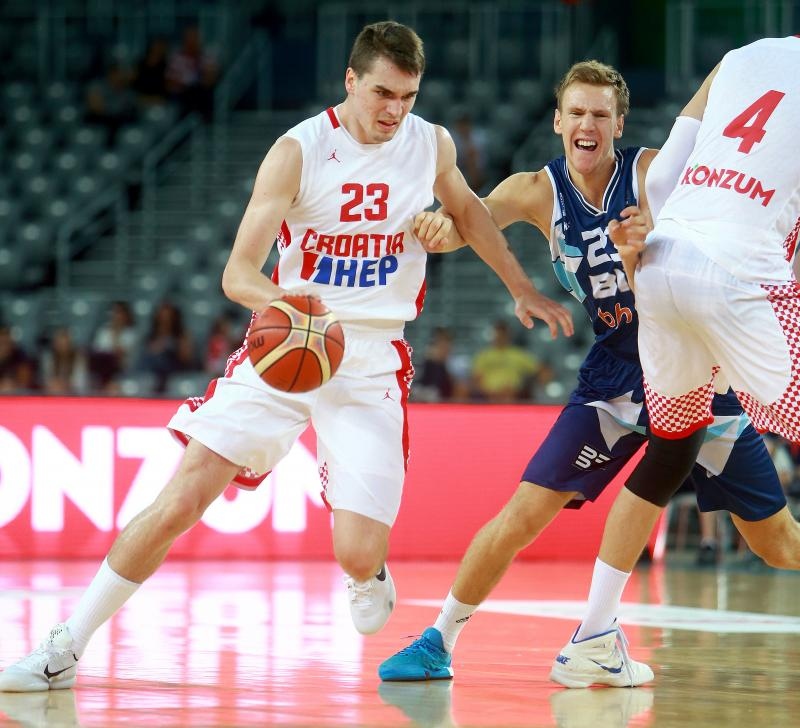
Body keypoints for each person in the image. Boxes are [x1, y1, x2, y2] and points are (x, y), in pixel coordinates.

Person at [0, 20, 571, 693]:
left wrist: (520, 287)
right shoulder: (298, 151)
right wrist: (293, 306)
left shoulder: (430, 144)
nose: (395, 109)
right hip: (289, 346)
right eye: (383, 93)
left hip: (370, 360)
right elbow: (238, 273)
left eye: (409, 96)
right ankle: (66, 645)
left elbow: (472, 215)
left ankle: (363, 562)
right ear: (351, 81)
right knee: (180, 498)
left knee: (360, 557)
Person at [378, 58, 800, 687]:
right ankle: (439, 638)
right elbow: (467, 227)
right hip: (614, 372)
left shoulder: (655, 171)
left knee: (778, 545)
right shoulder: (535, 190)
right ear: (557, 121)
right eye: (576, 112)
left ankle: (594, 638)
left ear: (619, 124)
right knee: (523, 514)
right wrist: (436, 223)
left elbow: (717, 218)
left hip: (693, 355)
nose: (587, 124)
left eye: (601, 114)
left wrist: (652, 238)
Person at [557, 35, 800, 685]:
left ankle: (594, 636)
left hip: (661, 270)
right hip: (744, 277)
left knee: (670, 452)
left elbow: (661, 178)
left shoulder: (744, 56)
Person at [471, 319, 547, 402]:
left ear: (508, 335)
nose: (500, 337)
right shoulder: (484, 355)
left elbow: (541, 370)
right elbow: (476, 378)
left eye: (503, 334)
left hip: (513, 395)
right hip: (488, 396)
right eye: (498, 334)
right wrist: (489, 392)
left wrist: (535, 385)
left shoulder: (518, 354)